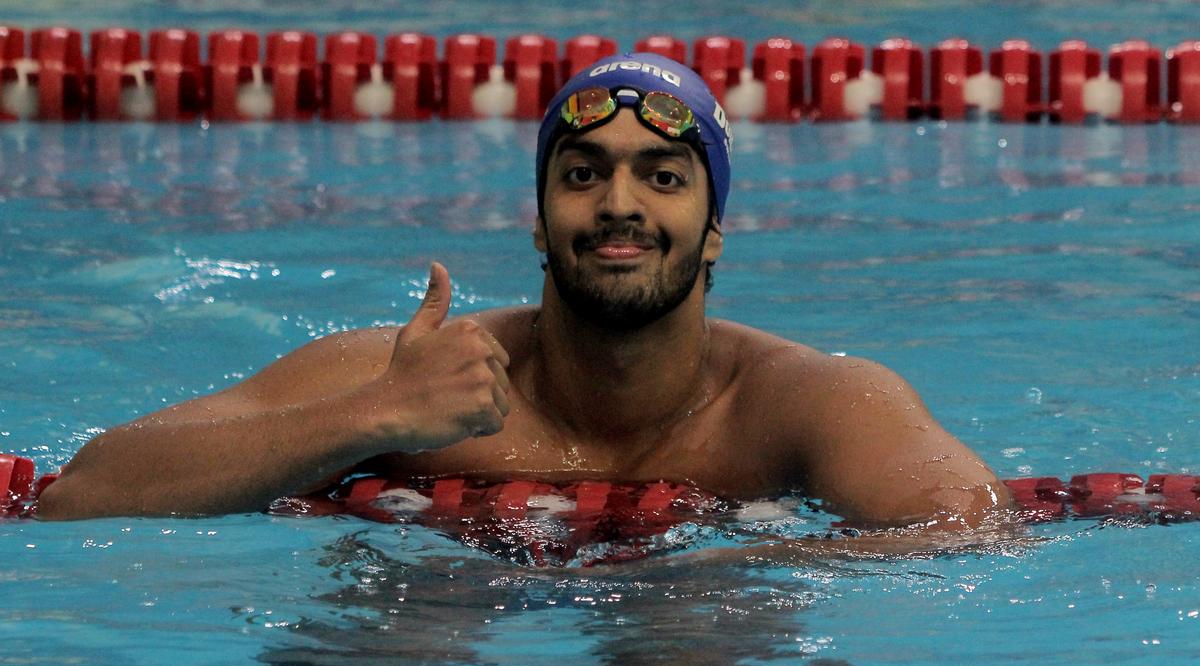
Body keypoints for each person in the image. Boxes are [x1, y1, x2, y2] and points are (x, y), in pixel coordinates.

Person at [37, 53, 1010, 533]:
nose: (618, 204)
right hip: (438, 586)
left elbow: (970, 527)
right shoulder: (405, 376)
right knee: (405, 618)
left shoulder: (801, 401)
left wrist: (736, 566)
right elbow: (85, 494)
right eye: (582, 174)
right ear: (539, 222)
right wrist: (372, 416)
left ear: (714, 226)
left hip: (706, 606)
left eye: (662, 177)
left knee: (699, 633)